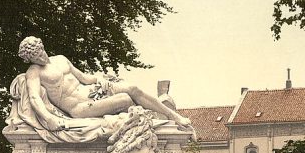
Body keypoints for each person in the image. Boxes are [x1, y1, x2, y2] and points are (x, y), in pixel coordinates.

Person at [17, 36, 192, 131]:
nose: (41, 57)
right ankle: (149, 117)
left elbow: (84, 78)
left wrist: (101, 78)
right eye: (35, 57)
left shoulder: (61, 59)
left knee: (132, 88)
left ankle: (172, 115)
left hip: (92, 91)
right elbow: (34, 98)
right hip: (79, 107)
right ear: (30, 59)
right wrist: (49, 119)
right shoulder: (34, 72)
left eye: (41, 52)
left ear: (42, 47)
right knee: (125, 99)